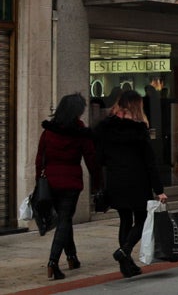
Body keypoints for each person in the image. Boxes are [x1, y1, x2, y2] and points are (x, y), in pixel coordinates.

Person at [95, 90, 167, 279]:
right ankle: (125, 250)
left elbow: (99, 158)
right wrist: (159, 190)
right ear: (137, 105)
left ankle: (127, 266)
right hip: (137, 180)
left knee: (125, 219)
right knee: (142, 218)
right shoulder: (139, 129)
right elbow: (150, 161)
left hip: (115, 180)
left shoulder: (105, 128)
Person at [35, 93, 101, 280]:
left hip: (51, 182)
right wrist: (98, 183)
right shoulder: (80, 133)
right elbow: (91, 159)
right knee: (64, 219)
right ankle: (53, 262)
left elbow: (39, 159)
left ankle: (72, 257)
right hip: (71, 182)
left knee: (65, 220)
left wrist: (38, 183)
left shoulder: (48, 131)